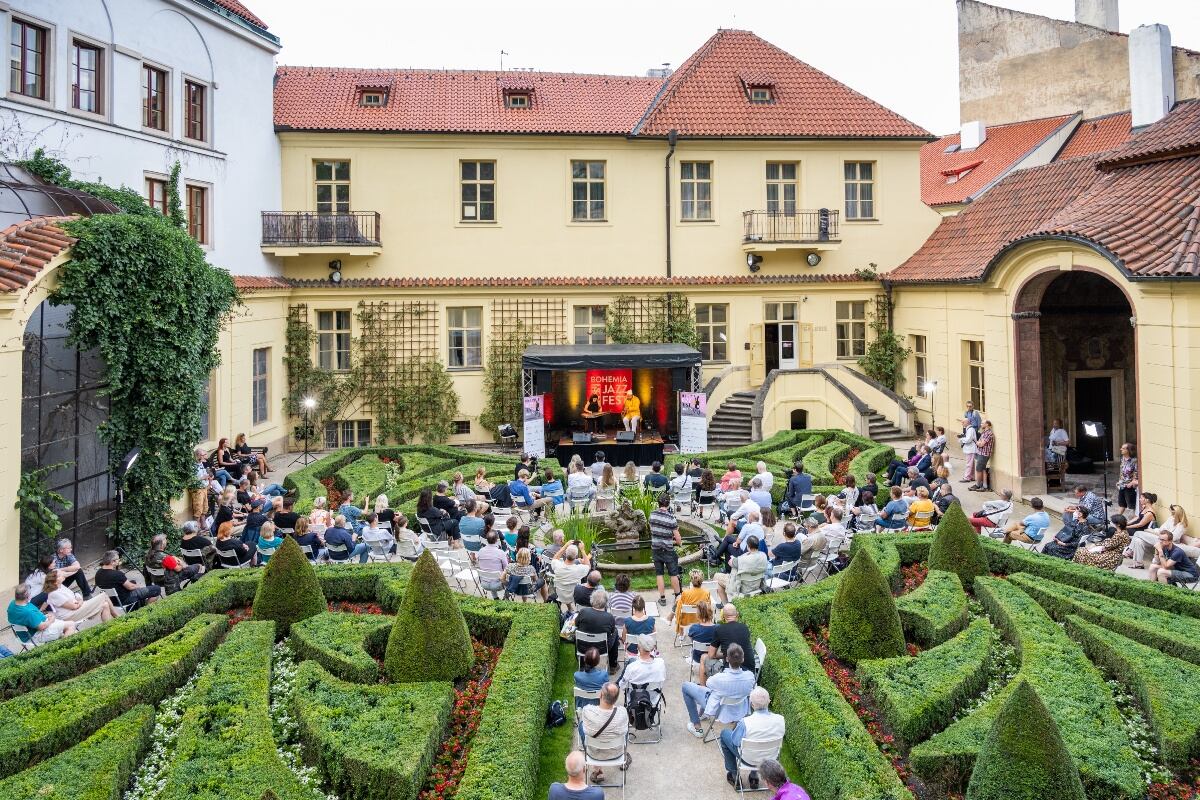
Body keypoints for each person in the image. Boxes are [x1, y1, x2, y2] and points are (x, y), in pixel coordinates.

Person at [681, 642, 756, 738]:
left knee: (686, 686)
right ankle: (701, 714)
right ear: (743, 659)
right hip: (739, 709)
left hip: (718, 709)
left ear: (727, 659)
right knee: (712, 692)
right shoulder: (750, 677)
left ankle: (696, 726)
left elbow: (708, 684)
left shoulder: (719, 679)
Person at [719, 686, 786, 790]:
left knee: (724, 734)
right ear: (769, 701)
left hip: (748, 759)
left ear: (752, 705)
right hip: (770, 758)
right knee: (759, 743)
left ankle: (734, 775)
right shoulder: (780, 720)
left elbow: (735, 742)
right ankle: (754, 777)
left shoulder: (745, 723)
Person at [577, 683, 629, 784]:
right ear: (616, 699)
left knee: (581, 726)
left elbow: (584, 723)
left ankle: (598, 771)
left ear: (600, 695)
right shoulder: (623, 712)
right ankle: (624, 760)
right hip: (617, 753)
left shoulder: (588, 711)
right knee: (625, 730)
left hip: (594, 754)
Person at [7, 584, 76, 645]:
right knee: (71, 625)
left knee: (64, 626)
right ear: (27, 596)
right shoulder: (27, 612)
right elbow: (41, 627)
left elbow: (31, 618)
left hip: (26, 634)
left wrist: (44, 616)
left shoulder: (12, 604)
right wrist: (51, 620)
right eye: (30, 593)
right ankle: (64, 648)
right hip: (36, 635)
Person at [95, 550, 162, 611]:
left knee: (133, 582)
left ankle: (134, 610)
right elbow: (130, 587)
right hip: (125, 599)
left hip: (111, 600)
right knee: (156, 589)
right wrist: (138, 587)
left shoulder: (98, 573)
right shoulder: (117, 574)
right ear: (113, 562)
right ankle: (143, 611)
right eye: (118, 559)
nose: (119, 561)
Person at [44, 567, 115, 624]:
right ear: (55, 581)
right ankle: (118, 617)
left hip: (77, 609)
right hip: (69, 616)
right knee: (104, 596)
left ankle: (109, 627)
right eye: (60, 575)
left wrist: (78, 601)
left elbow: (75, 597)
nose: (63, 575)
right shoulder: (54, 593)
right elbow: (74, 606)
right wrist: (80, 601)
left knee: (105, 605)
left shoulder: (61, 586)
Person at [649, 494, 682, 605]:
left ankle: (662, 599)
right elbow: (678, 539)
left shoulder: (652, 515)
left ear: (658, 503)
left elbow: (653, 531)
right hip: (668, 550)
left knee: (659, 574)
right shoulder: (671, 518)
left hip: (656, 548)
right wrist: (675, 541)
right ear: (668, 503)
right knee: (673, 574)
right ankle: (678, 598)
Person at [704, 604, 756, 674]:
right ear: (737, 614)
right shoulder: (745, 627)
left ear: (723, 616)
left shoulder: (719, 629)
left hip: (730, 673)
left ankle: (704, 685)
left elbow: (711, 655)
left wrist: (727, 654)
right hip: (750, 672)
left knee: (704, 658)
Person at [716, 536, 768, 604]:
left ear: (748, 546)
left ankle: (726, 605)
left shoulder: (742, 560)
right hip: (756, 585)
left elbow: (730, 563)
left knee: (716, 577)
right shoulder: (763, 556)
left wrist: (734, 559)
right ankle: (727, 605)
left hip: (741, 587)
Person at [577, 588, 620, 666]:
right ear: (606, 603)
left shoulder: (583, 612)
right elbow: (612, 631)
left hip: (583, 647)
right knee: (615, 632)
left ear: (592, 600)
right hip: (602, 649)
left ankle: (581, 663)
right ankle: (613, 664)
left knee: (577, 631)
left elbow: (576, 624)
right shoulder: (609, 617)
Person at [550, 543, 590, 609]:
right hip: (575, 596)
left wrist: (564, 546)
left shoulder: (557, 566)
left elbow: (554, 559)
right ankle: (577, 609)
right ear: (576, 555)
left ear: (565, 553)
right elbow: (588, 565)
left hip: (561, 595)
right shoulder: (578, 569)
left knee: (566, 587)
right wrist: (582, 550)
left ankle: (569, 608)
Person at [969, 420, 994, 491]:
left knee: (978, 469)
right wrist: (978, 443)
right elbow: (979, 442)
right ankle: (985, 486)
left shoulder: (988, 433)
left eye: (982, 423)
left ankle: (977, 485)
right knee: (983, 470)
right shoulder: (984, 432)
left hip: (984, 454)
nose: (981, 424)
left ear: (987, 424)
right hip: (981, 453)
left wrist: (977, 443)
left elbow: (981, 444)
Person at [1116, 443, 1139, 515]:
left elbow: (1137, 473)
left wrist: (1132, 483)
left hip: (1129, 486)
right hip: (1122, 485)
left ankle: (1134, 520)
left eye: (1123, 448)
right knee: (1122, 504)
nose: (1121, 449)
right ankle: (1115, 520)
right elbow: (1122, 472)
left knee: (1132, 506)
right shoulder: (1123, 459)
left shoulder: (1134, 461)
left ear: (1128, 450)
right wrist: (1119, 481)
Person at [958, 419, 978, 484]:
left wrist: (961, 439)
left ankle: (967, 477)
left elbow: (968, 439)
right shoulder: (969, 429)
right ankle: (971, 477)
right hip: (970, 448)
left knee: (969, 464)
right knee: (971, 463)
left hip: (971, 449)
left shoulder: (970, 429)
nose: (962, 423)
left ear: (967, 422)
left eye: (963, 422)